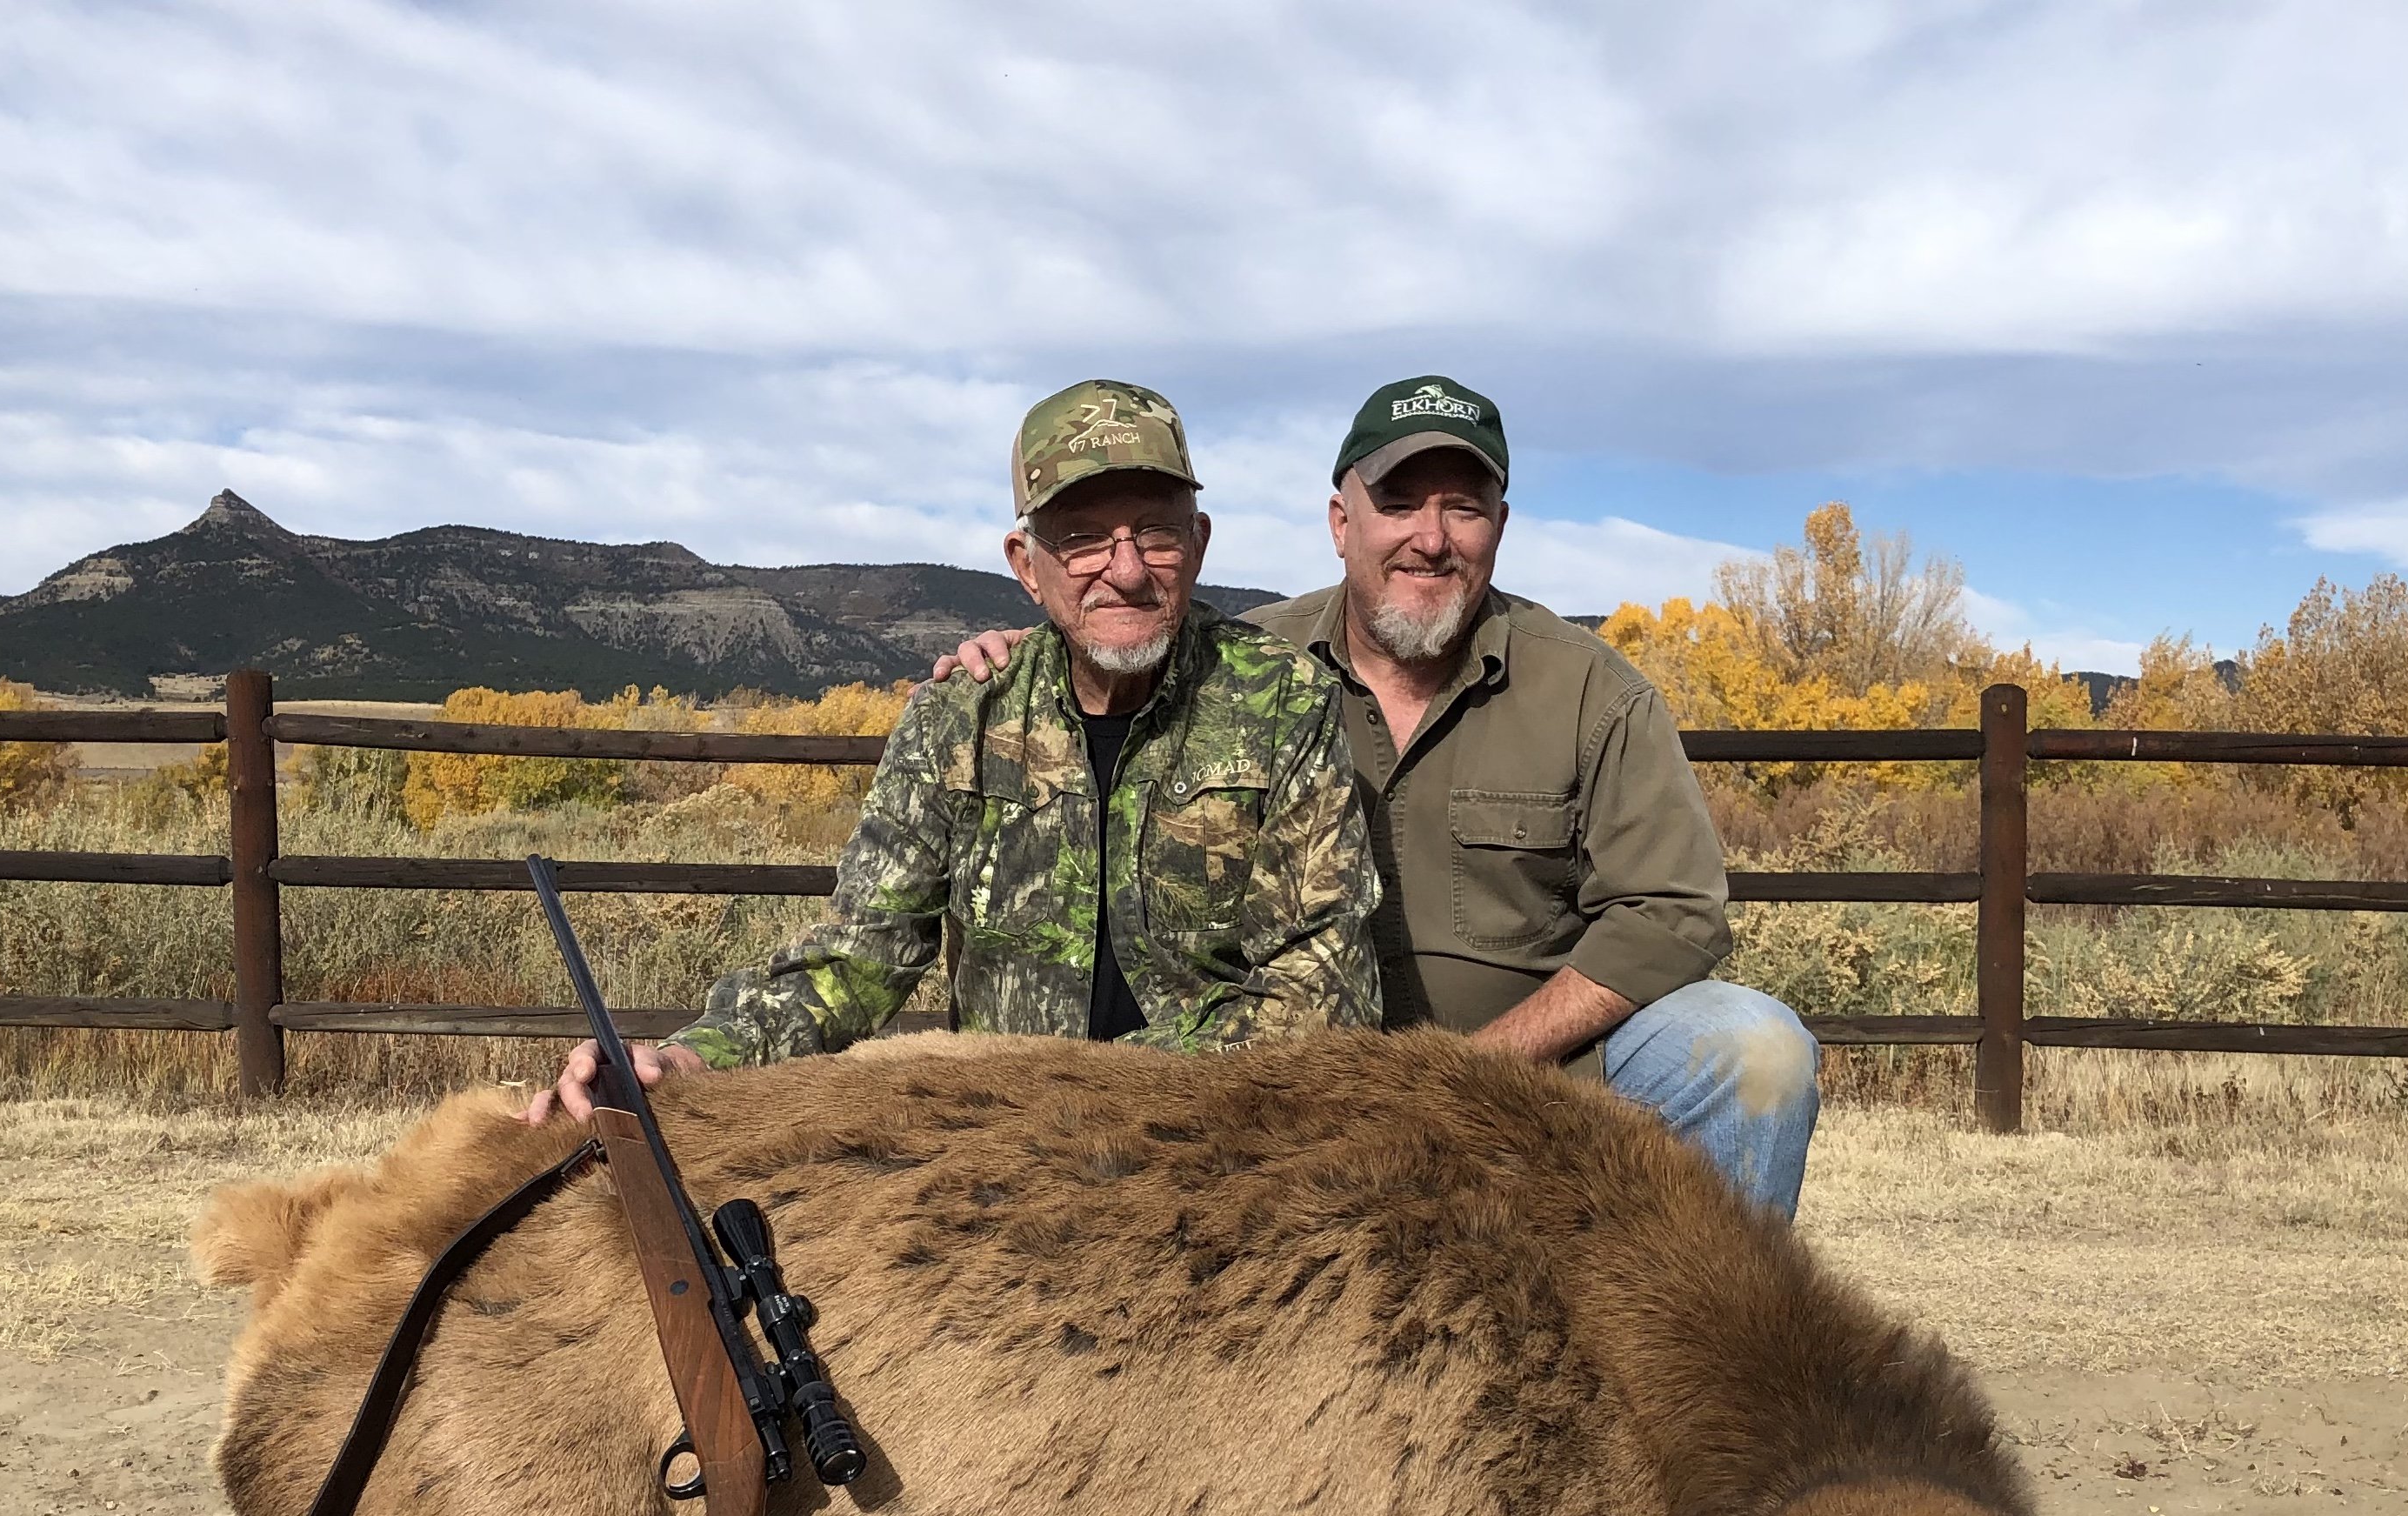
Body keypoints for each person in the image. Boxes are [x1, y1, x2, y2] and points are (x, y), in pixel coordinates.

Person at [942, 376, 1819, 1215]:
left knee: (1756, 1050)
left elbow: (1672, 912)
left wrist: (1476, 1070)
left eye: (1463, 508)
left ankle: (1702, 1350)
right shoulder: (1240, 669)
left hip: (1533, 1076)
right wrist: (1016, 660)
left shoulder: (1595, 692)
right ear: (1340, 521)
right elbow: (1109, 635)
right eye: (1398, 503)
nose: (1430, 538)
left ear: (1500, 526)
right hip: (1280, 1077)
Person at [526, 378, 1382, 1125]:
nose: (1125, 570)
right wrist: (688, 1060)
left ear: (1196, 544)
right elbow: (858, 956)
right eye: (1083, 538)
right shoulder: (957, 718)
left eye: (1154, 534)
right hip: (1004, 1152)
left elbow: (1319, 999)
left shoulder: (1282, 703)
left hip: (1215, 1138)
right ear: (1026, 563)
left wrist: (1093, 1087)